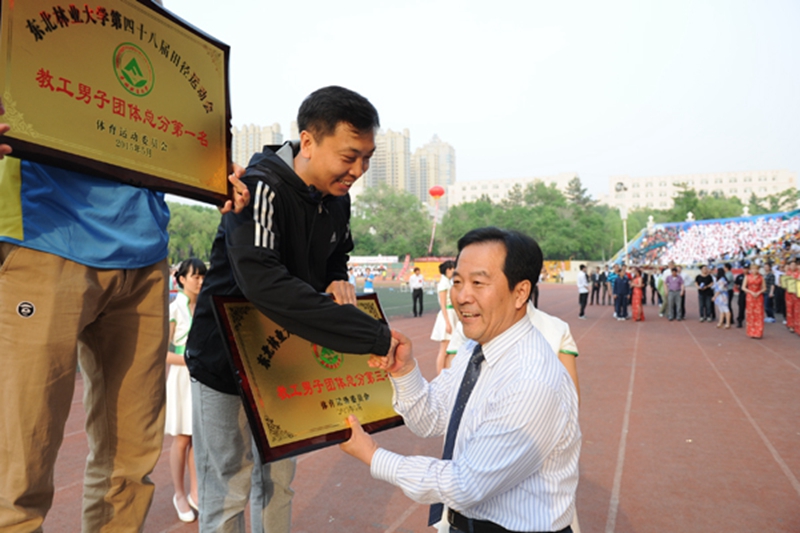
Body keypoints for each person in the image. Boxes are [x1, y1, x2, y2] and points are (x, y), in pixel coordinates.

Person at [0, 108, 247, 530]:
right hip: (42, 235)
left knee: (131, 462)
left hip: (145, 252)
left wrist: (211, 173)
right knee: (22, 461)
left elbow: (181, 122)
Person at [184, 86, 393, 533]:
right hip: (223, 362)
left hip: (284, 363)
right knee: (228, 488)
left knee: (278, 483)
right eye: (349, 156)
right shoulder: (259, 188)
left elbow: (337, 253)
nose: (358, 171)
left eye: (367, 158)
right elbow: (265, 284)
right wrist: (371, 336)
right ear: (309, 142)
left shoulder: (337, 199)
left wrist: (337, 277)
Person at [341, 227, 580, 533]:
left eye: (478, 283)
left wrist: (374, 456)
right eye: (457, 282)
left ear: (520, 292)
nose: (462, 297)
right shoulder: (473, 349)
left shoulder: (531, 379)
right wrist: (404, 370)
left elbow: (467, 484)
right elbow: (431, 419)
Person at [166, 258, 207, 522]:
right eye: (196, 277)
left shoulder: (204, 307)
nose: (201, 282)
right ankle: (179, 493)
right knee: (182, 438)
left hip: (201, 376)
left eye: (203, 277)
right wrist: (191, 361)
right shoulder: (174, 308)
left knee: (197, 436)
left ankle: (195, 491)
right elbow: (162, 353)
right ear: (181, 279)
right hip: (182, 377)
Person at [431, 260, 458, 373]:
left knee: (450, 348)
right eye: (453, 269)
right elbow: (442, 304)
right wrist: (447, 322)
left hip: (452, 314)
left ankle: (446, 372)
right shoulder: (443, 284)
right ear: (448, 270)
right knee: (444, 349)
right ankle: (439, 375)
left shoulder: (448, 282)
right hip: (447, 315)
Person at [743, 262, 766, 339]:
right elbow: (743, 287)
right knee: (750, 314)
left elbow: (764, 288)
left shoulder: (761, 277)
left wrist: (759, 292)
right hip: (750, 296)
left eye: (755, 269)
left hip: (759, 297)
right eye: (752, 269)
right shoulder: (747, 277)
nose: (754, 270)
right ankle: (751, 332)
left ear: (758, 269)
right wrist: (751, 292)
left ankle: (758, 332)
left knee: (759, 314)